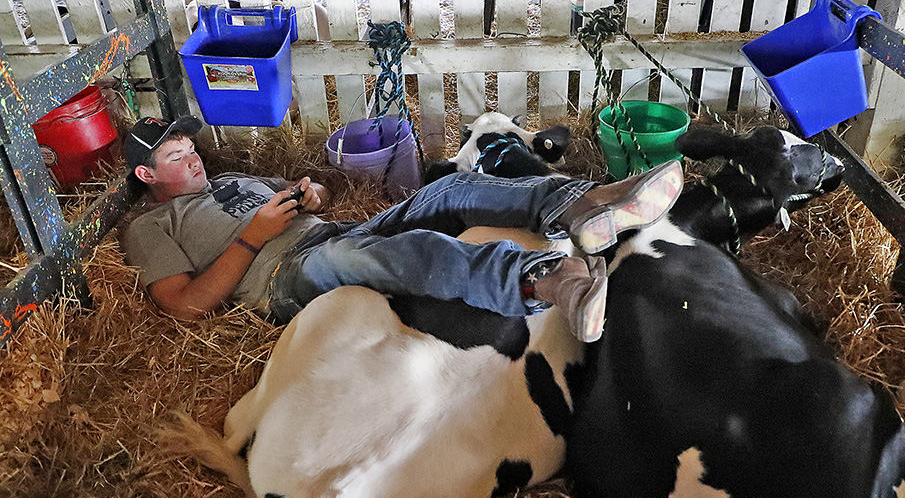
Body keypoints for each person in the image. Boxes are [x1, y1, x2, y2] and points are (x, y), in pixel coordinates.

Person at [120, 115, 682, 342]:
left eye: (191, 148)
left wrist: (312, 193)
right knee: (409, 251)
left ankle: (585, 205)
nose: (194, 159)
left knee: (445, 191)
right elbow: (185, 307)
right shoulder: (152, 225)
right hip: (286, 276)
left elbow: (320, 193)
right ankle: (548, 283)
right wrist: (254, 236)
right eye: (177, 156)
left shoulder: (237, 176)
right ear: (147, 174)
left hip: (333, 231)